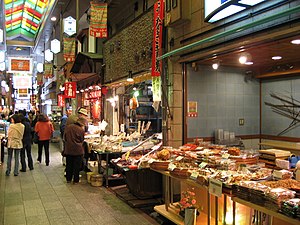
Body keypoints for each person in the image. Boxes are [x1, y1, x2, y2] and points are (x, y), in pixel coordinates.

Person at [63, 118, 86, 184]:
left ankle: (68, 179)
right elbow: (82, 139)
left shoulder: (67, 128)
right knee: (77, 166)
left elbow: (64, 138)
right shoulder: (80, 130)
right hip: (78, 150)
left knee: (69, 165)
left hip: (69, 149)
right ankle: (76, 180)